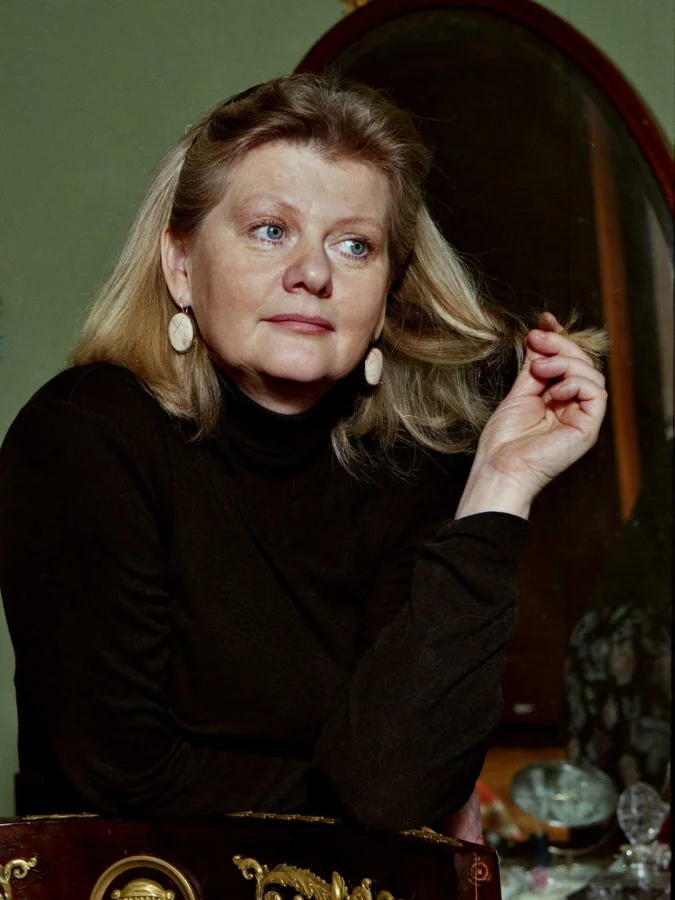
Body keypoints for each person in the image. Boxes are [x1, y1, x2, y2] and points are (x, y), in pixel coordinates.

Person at [0, 74, 607, 832]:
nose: (313, 274)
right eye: (269, 230)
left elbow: (389, 787)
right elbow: (124, 776)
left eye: (354, 245)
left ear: (384, 296)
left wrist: (498, 485)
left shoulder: (411, 465)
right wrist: (357, 805)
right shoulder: (84, 438)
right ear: (180, 264)